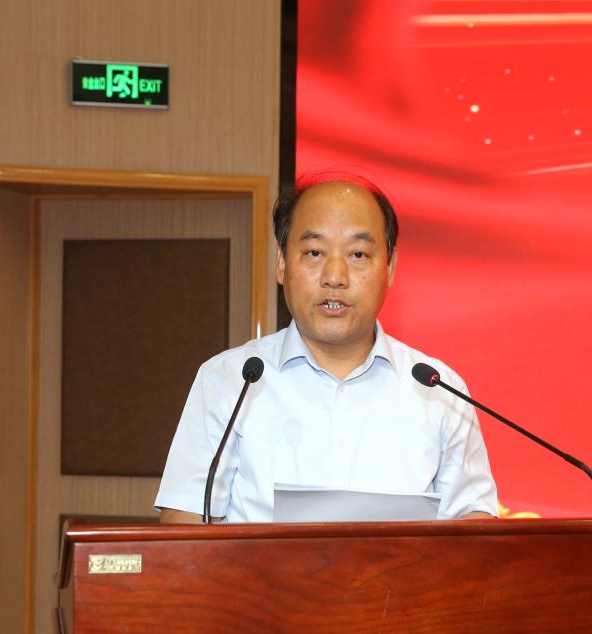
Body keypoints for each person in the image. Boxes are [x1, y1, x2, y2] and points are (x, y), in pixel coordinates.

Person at [156, 173, 497, 523]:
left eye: (358, 254)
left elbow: (475, 524)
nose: (334, 276)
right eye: (314, 252)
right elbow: (185, 523)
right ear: (282, 263)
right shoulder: (228, 381)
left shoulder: (440, 391)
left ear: (390, 268)